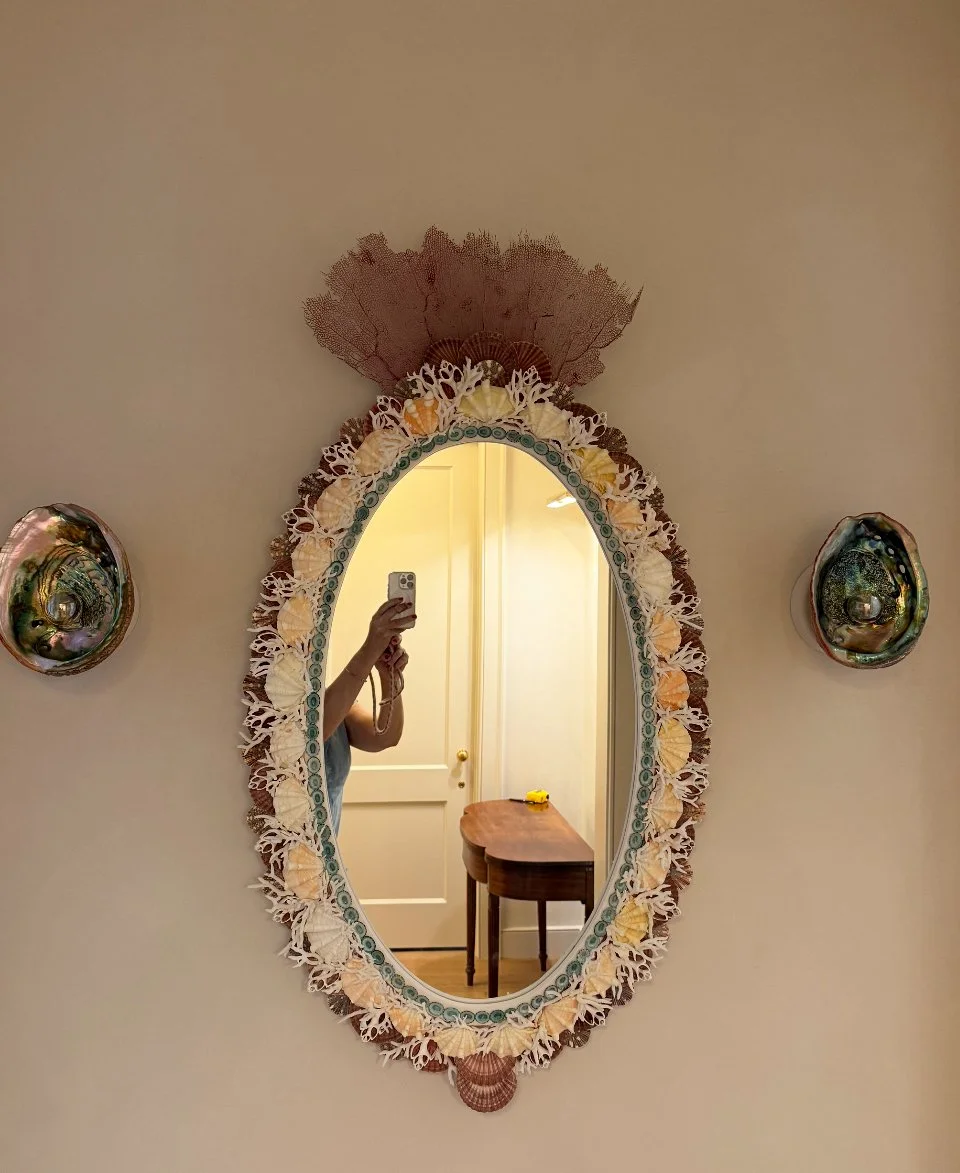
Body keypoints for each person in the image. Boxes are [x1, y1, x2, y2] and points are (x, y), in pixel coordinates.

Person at [321, 598, 415, 832]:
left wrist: (388, 674)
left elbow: (384, 738)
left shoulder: (331, 699)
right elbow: (312, 736)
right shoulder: (287, 711)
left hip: (324, 850)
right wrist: (370, 648)